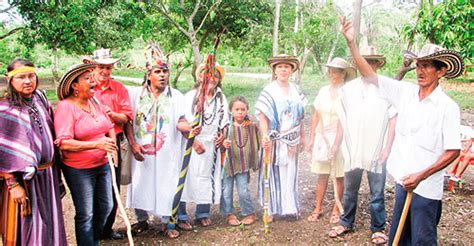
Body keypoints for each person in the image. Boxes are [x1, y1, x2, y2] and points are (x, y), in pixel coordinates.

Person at [340, 17, 464, 245]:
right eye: (418, 65)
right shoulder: (405, 93)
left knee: (422, 241)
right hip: (403, 181)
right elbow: (370, 75)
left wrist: (421, 176)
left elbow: (453, 151)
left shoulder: (447, 107)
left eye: (426, 66)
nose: (420, 71)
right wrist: (352, 44)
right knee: (398, 238)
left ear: (441, 71)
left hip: (426, 189)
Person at [125, 44, 195, 238]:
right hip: (141, 152)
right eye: (158, 71)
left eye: (165, 71)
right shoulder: (135, 96)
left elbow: (181, 121)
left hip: (167, 152)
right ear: (149, 75)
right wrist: (132, 144)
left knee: (168, 184)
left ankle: (168, 222)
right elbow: (128, 121)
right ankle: (141, 220)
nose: (163, 75)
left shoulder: (176, 97)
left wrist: (190, 129)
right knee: (140, 183)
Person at [0, 58, 67, 245]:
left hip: (48, 175)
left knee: (50, 223)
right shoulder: (5, 108)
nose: (28, 81)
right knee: (28, 227)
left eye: (31, 76)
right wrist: (13, 185)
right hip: (24, 182)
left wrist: (59, 176)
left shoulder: (40, 99)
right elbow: (2, 152)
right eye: (21, 77)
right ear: (10, 80)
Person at [54, 63, 117, 246]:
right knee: (86, 213)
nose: (93, 81)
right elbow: (64, 143)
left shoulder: (94, 101)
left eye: (92, 77)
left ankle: (94, 241)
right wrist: (96, 144)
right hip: (79, 169)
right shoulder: (66, 107)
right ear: (75, 85)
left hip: (102, 164)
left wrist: (112, 148)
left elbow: (109, 126)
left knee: (106, 207)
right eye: (87, 78)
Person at [83, 48, 133, 240]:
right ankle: (90, 230)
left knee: (112, 186)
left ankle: (106, 228)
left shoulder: (119, 88)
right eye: (101, 67)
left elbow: (126, 116)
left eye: (108, 67)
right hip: (90, 142)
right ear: (93, 67)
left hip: (113, 141)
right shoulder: (84, 86)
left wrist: (111, 114)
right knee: (90, 185)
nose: (104, 71)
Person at [255, 54, 307, 221]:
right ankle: (270, 209)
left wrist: (303, 137)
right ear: (275, 70)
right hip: (274, 138)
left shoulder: (296, 90)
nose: (283, 70)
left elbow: (301, 117)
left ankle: (289, 207)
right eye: (280, 67)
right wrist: (264, 136)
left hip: (293, 138)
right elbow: (263, 116)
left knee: (290, 171)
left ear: (291, 70)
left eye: (287, 67)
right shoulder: (269, 90)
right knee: (271, 172)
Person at [307, 57, 356, 224]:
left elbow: (345, 120)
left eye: (336, 71)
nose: (332, 74)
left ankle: (336, 208)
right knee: (322, 174)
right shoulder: (323, 91)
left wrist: (336, 144)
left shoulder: (347, 93)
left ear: (343, 74)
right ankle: (318, 207)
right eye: (330, 71)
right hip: (322, 137)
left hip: (339, 137)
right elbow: (316, 114)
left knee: (338, 175)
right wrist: (312, 136)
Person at [180, 63, 229, 227]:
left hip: (211, 144)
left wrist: (222, 135)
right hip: (191, 143)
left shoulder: (221, 97)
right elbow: (183, 123)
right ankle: (181, 216)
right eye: (208, 74)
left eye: (215, 76)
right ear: (200, 76)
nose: (211, 79)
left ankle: (202, 213)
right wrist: (194, 142)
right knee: (186, 177)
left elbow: (225, 121)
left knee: (206, 178)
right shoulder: (191, 96)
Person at [220, 96, 259, 226]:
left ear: (247, 110)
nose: (240, 112)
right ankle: (228, 214)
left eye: (243, 109)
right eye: (237, 109)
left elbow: (257, 140)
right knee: (226, 190)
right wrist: (223, 144)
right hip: (228, 164)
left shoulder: (251, 126)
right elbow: (219, 144)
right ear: (231, 110)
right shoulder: (226, 127)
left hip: (242, 165)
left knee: (243, 189)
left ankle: (249, 213)